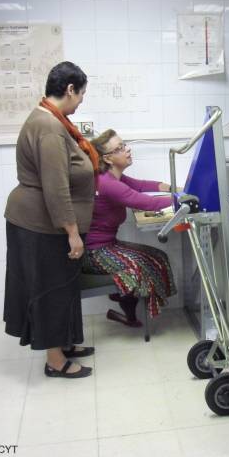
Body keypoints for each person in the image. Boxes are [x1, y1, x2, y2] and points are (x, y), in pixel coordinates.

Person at [4, 61, 99, 379]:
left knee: (66, 287)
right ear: (69, 90)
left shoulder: (54, 121)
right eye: (82, 94)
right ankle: (55, 360)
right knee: (52, 290)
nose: (82, 100)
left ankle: (66, 342)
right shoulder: (49, 126)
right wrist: (72, 233)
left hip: (46, 222)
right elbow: (56, 187)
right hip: (42, 225)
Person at [83, 129, 175, 327]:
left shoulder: (114, 177)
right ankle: (123, 298)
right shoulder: (107, 183)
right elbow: (144, 202)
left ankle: (127, 309)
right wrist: (181, 200)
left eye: (124, 145)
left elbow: (140, 186)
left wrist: (173, 187)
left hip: (108, 245)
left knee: (158, 257)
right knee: (139, 267)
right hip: (94, 253)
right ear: (108, 158)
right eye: (120, 148)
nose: (128, 150)